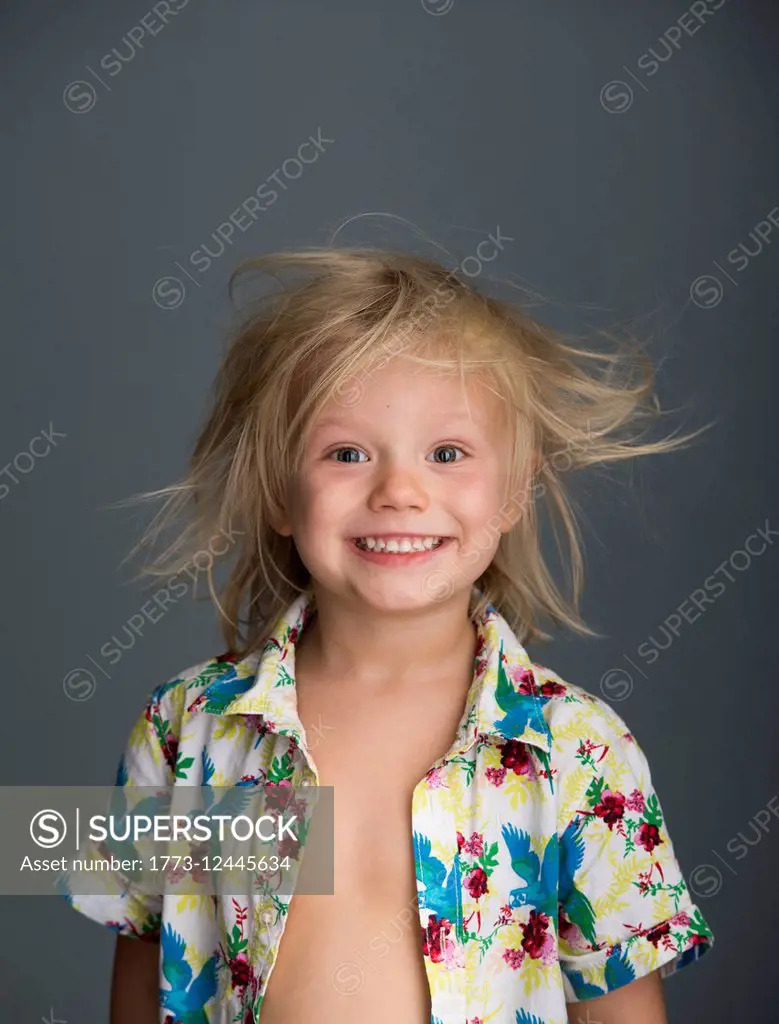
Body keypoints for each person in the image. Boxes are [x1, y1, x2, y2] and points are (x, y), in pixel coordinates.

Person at [63, 248, 714, 1023]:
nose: (399, 492)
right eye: (346, 453)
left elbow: (620, 1008)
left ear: (514, 489)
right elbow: (146, 961)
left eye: (447, 454)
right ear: (278, 490)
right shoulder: (187, 727)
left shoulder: (579, 751)